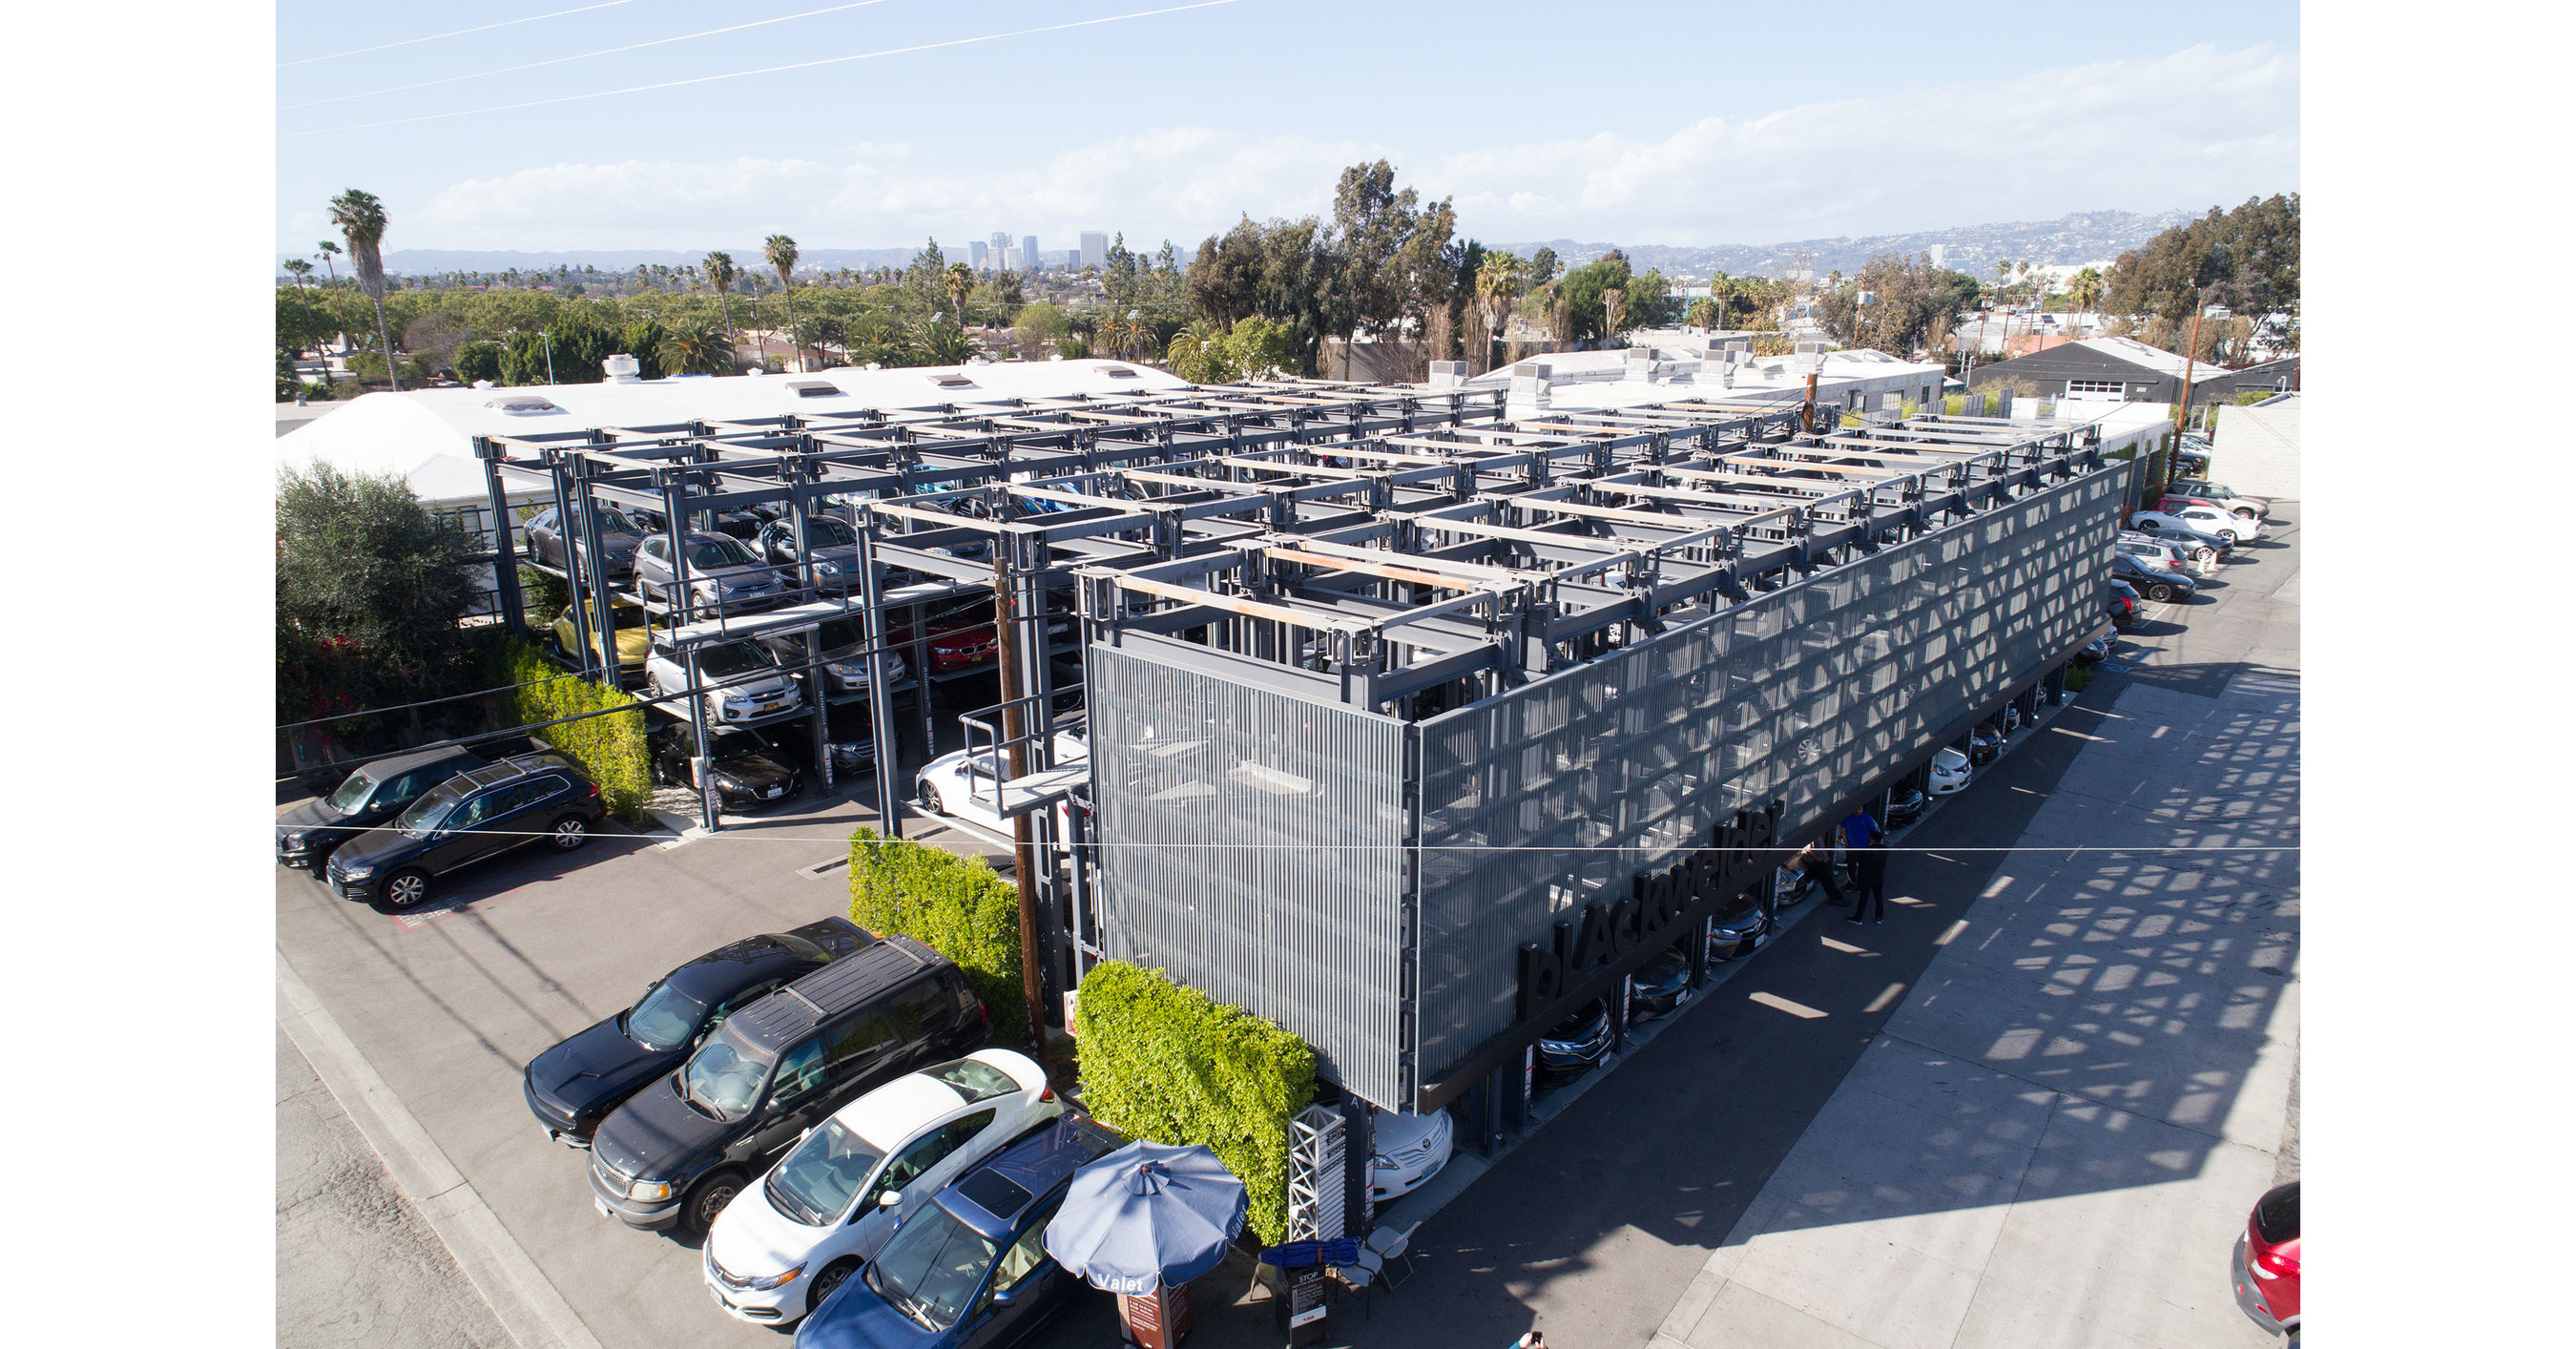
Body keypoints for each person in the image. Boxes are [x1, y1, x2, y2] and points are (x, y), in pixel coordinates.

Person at [1842, 806, 1888, 924]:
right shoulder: (1884, 850)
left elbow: (1864, 864)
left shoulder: (1867, 852)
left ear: (1871, 840)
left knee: (1864, 898)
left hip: (1868, 878)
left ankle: (1859, 918)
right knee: (1878, 897)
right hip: (1878, 877)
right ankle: (1879, 917)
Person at [1791, 840, 1850, 908]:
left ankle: (1838, 897)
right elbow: (1808, 850)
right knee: (1827, 879)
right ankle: (1836, 898)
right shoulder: (1811, 835)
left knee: (1827, 879)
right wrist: (1818, 859)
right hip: (1816, 861)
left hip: (1819, 860)